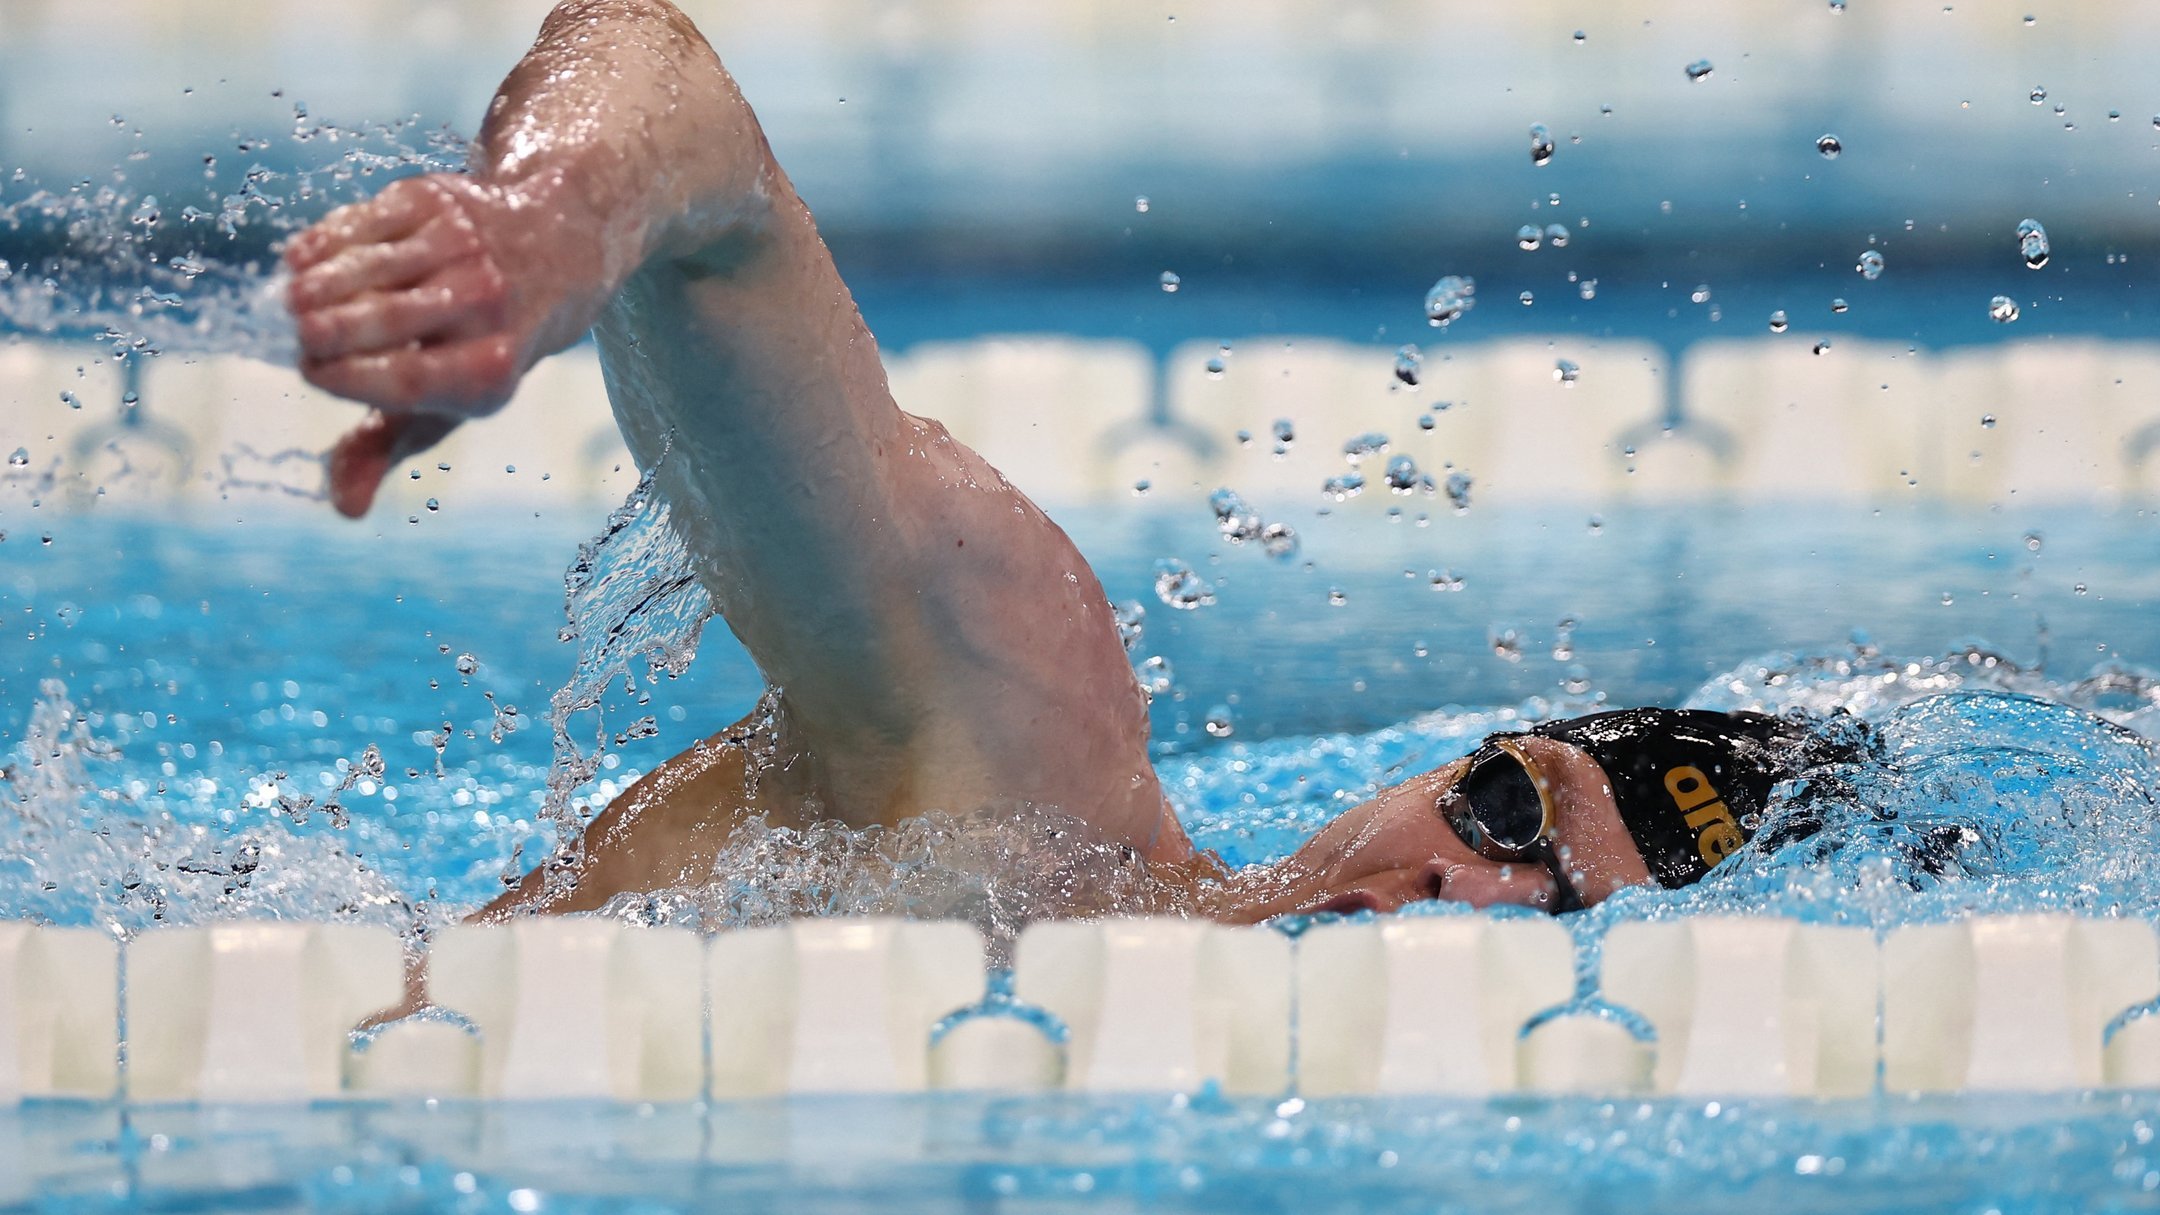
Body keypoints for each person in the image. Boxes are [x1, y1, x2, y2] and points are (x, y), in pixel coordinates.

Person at [285, 0, 1837, 928]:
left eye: (1563, 920)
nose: (1469, 890)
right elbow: (664, 80)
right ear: (1437, 766)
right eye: (1507, 810)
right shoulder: (1026, 764)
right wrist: (547, 227)